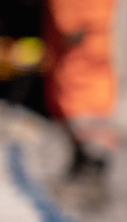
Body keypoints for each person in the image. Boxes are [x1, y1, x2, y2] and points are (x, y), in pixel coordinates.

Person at [42, 0, 119, 178]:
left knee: (81, 66)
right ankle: (87, 148)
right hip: (82, 26)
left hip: (81, 27)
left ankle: (89, 153)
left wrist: (72, 21)